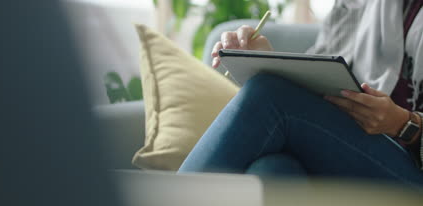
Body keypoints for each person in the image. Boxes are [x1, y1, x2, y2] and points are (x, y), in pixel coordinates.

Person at [179, 0, 423, 191]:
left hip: (412, 168)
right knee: (274, 170)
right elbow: (322, 71)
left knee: (270, 95)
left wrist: (404, 124)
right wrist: (269, 62)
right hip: (351, 145)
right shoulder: (356, 5)